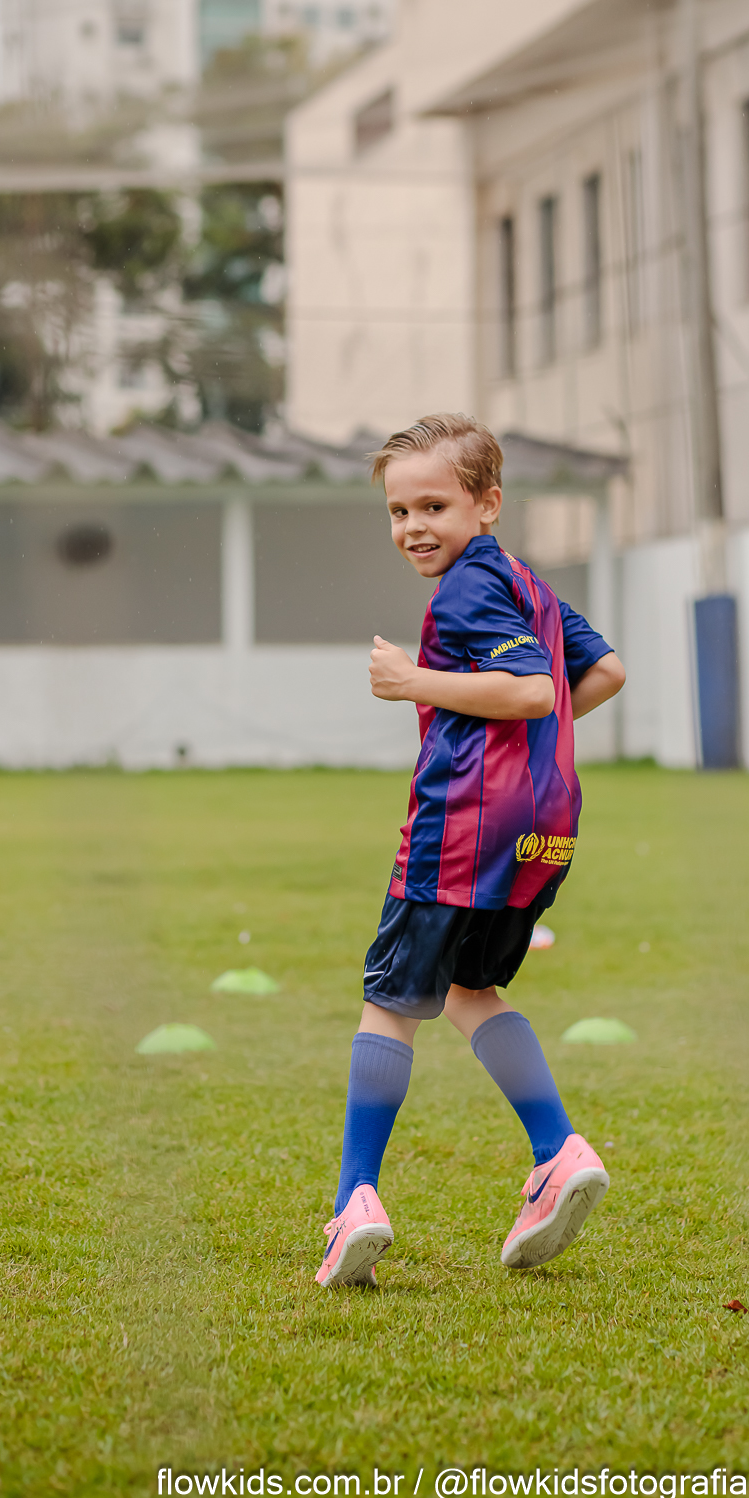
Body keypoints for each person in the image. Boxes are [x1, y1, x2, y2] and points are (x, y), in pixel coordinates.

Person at [316, 413, 626, 1288]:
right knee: (466, 989)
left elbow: (531, 691)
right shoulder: (524, 583)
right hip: (540, 827)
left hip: (462, 827)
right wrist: (519, 747)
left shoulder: (462, 592)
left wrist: (411, 682)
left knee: (389, 1002)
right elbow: (601, 673)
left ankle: (354, 1202)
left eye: (434, 507)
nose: (414, 527)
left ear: (486, 504)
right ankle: (555, 1151)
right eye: (398, 510)